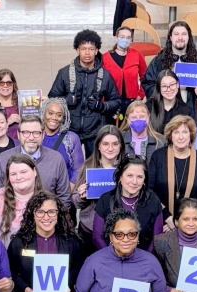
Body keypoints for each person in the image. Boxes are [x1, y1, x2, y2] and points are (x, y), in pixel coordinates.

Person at [49, 29, 121, 158]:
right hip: (69, 130)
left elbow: (116, 101)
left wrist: (102, 106)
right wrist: (65, 101)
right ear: (77, 50)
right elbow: (51, 100)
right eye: (83, 49)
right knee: (67, 166)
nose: (87, 53)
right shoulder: (64, 73)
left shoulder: (105, 75)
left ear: (97, 50)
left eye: (91, 49)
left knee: (93, 167)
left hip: (95, 132)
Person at [0, 116, 72, 209]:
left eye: (36, 133)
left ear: (43, 135)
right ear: (18, 134)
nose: (31, 137)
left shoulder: (56, 159)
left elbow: (64, 198)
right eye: (26, 133)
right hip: (13, 218)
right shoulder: (3, 159)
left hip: (46, 218)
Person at [72, 125, 128, 255]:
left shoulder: (127, 167)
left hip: (120, 231)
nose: (110, 148)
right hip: (89, 230)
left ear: (120, 146)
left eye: (115, 144)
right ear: (98, 146)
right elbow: (74, 201)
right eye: (105, 144)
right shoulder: (88, 166)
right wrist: (81, 196)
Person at [148, 115, 197, 232]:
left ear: (191, 135)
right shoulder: (158, 156)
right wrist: (167, 217)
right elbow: (149, 190)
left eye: (185, 132)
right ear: (170, 135)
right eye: (176, 132)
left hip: (191, 225)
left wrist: (181, 222)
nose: (180, 137)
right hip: (161, 222)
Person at [142, 21, 197, 126]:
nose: (180, 37)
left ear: (189, 37)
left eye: (184, 34)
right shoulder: (160, 59)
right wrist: (162, 94)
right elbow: (147, 82)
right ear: (170, 37)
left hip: (187, 110)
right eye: (176, 34)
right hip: (163, 111)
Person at [93, 158, 163, 251]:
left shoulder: (153, 201)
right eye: (129, 176)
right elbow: (97, 237)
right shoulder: (105, 200)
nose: (134, 182)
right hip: (110, 259)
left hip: (142, 259)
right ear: (120, 177)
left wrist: (145, 259)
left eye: (139, 177)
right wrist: (112, 258)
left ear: (144, 180)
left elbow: (157, 238)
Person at [0, 154, 44, 244]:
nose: (18, 177)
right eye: (13, 174)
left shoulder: (47, 201)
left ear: (34, 171)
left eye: (23, 172)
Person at [102, 26, 147, 117]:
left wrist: (140, 95)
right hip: (111, 102)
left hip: (132, 102)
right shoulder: (105, 58)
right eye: (122, 37)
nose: (125, 40)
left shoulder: (136, 55)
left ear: (131, 40)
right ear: (116, 38)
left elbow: (146, 77)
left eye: (128, 37)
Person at [40, 98, 84, 188]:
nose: (54, 118)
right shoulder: (35, 136)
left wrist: (66, 194)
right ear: (43, 113)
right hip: (38, 192)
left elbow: (78, 170)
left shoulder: (71, 138)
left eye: (59, 115)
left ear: (63, 118)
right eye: (50, 113)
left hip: (63, 193)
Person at [148, 71, 193, 135]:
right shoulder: (148, 107)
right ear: (159, 88)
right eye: (164, 86)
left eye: (172, 85)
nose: (168, 89)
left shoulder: (187, 111)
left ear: (177, 85)